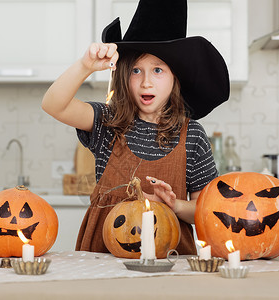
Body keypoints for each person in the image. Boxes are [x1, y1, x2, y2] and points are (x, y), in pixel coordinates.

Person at [42, 0, 229, 255]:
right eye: (136, 70)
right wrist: (85, 66)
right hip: (104, 260)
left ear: (176, 78)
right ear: (123, 74)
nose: (146, 83)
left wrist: (175, 205)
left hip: (170, 260)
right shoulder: (108, 122)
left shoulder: (192, 136)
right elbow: (54, 105)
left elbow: (205, 210)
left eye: (158, 70)